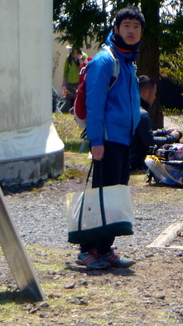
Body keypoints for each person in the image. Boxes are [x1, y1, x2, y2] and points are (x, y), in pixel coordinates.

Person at [76, 6, 144, 270]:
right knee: (101, 196)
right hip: (106, 139)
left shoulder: (128, 62)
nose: (131, 31)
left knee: (115, 196)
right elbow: (95, 104)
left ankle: (104, 249)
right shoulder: (106, 60)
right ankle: (86, 250)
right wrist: (96, 141)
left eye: (136, 27)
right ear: (116, 29)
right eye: (126, 25)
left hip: (123, 139)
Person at [130, 75, 182, 170]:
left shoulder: (131, 109)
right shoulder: (142, 114)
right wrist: (172, 137)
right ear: (146, 93)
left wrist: (164, 132)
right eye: (154, 93)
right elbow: (150, 140)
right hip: (136, 161)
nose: (154, 97)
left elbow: (142, 135)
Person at [62, 47, 87, 113]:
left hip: (79, 81)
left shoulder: (84, 56)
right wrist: (64, 82)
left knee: (78, 98)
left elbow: (85, 67)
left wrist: (80, 58)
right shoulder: (69, 57)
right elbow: (66, 70)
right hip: (70, 81)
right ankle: (70, 112)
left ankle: (77, 112)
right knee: (70, 99)